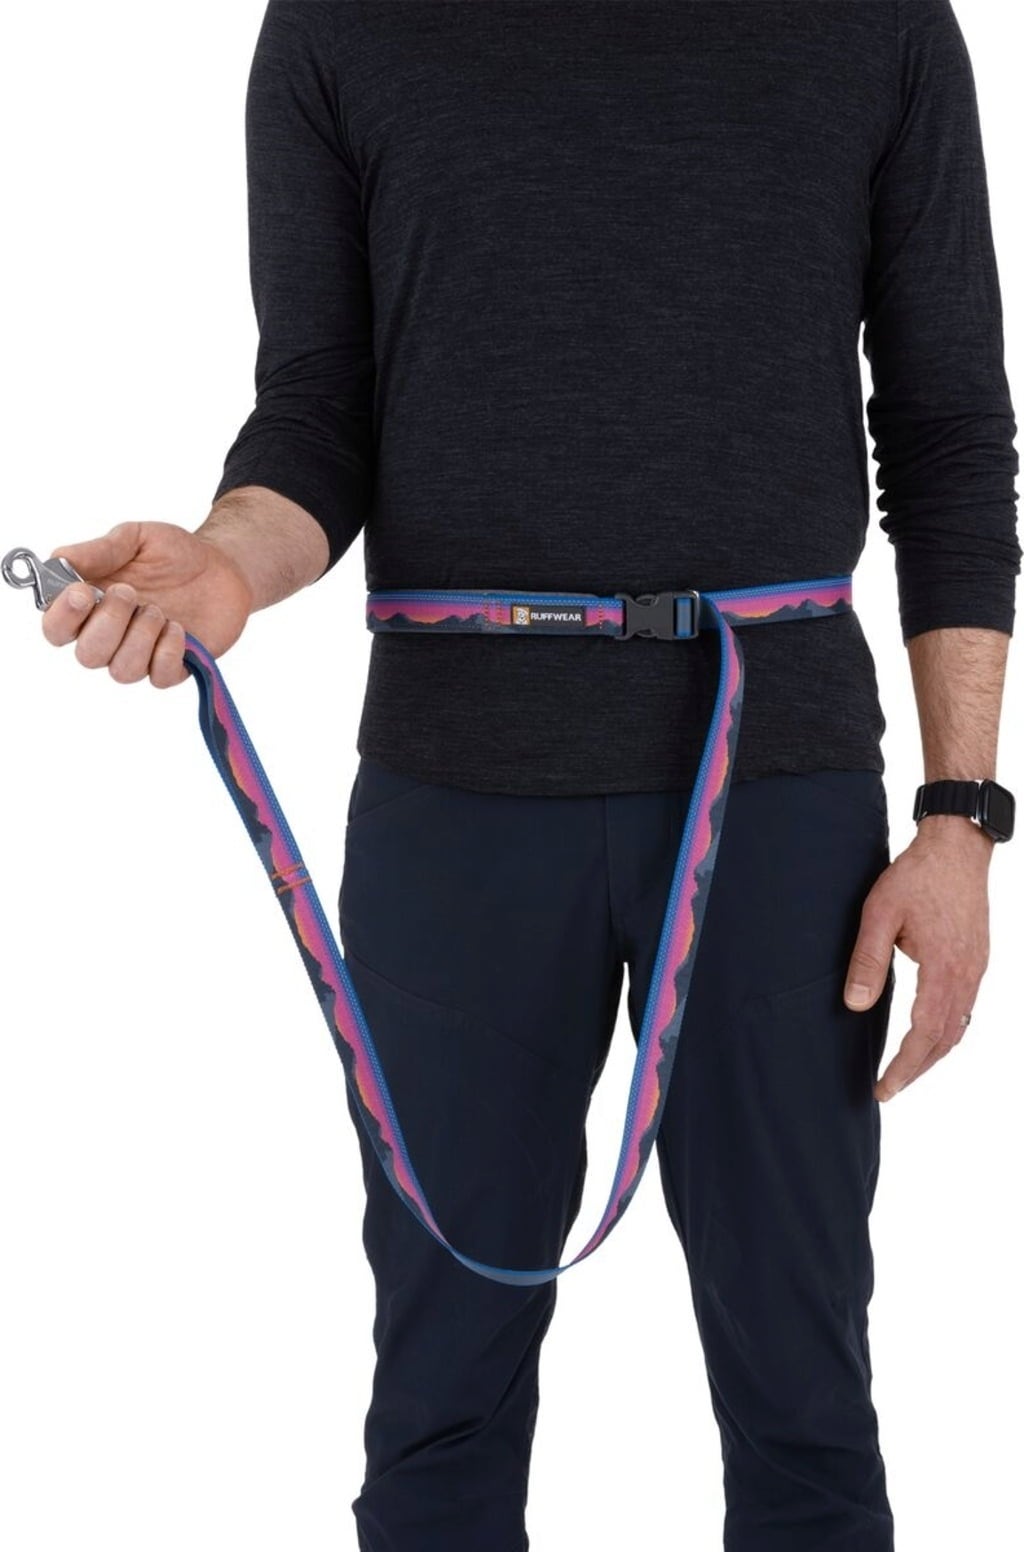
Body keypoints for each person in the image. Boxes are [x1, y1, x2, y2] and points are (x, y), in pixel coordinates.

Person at [38, 2, 1019, 1548]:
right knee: (441, 1397)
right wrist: (226, 563)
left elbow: (953, 429)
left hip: (778, 799)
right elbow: (320, 408)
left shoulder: (873, 20)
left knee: (804, 1394)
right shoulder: (341, 25)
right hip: (456, 803)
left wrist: (960, 818)